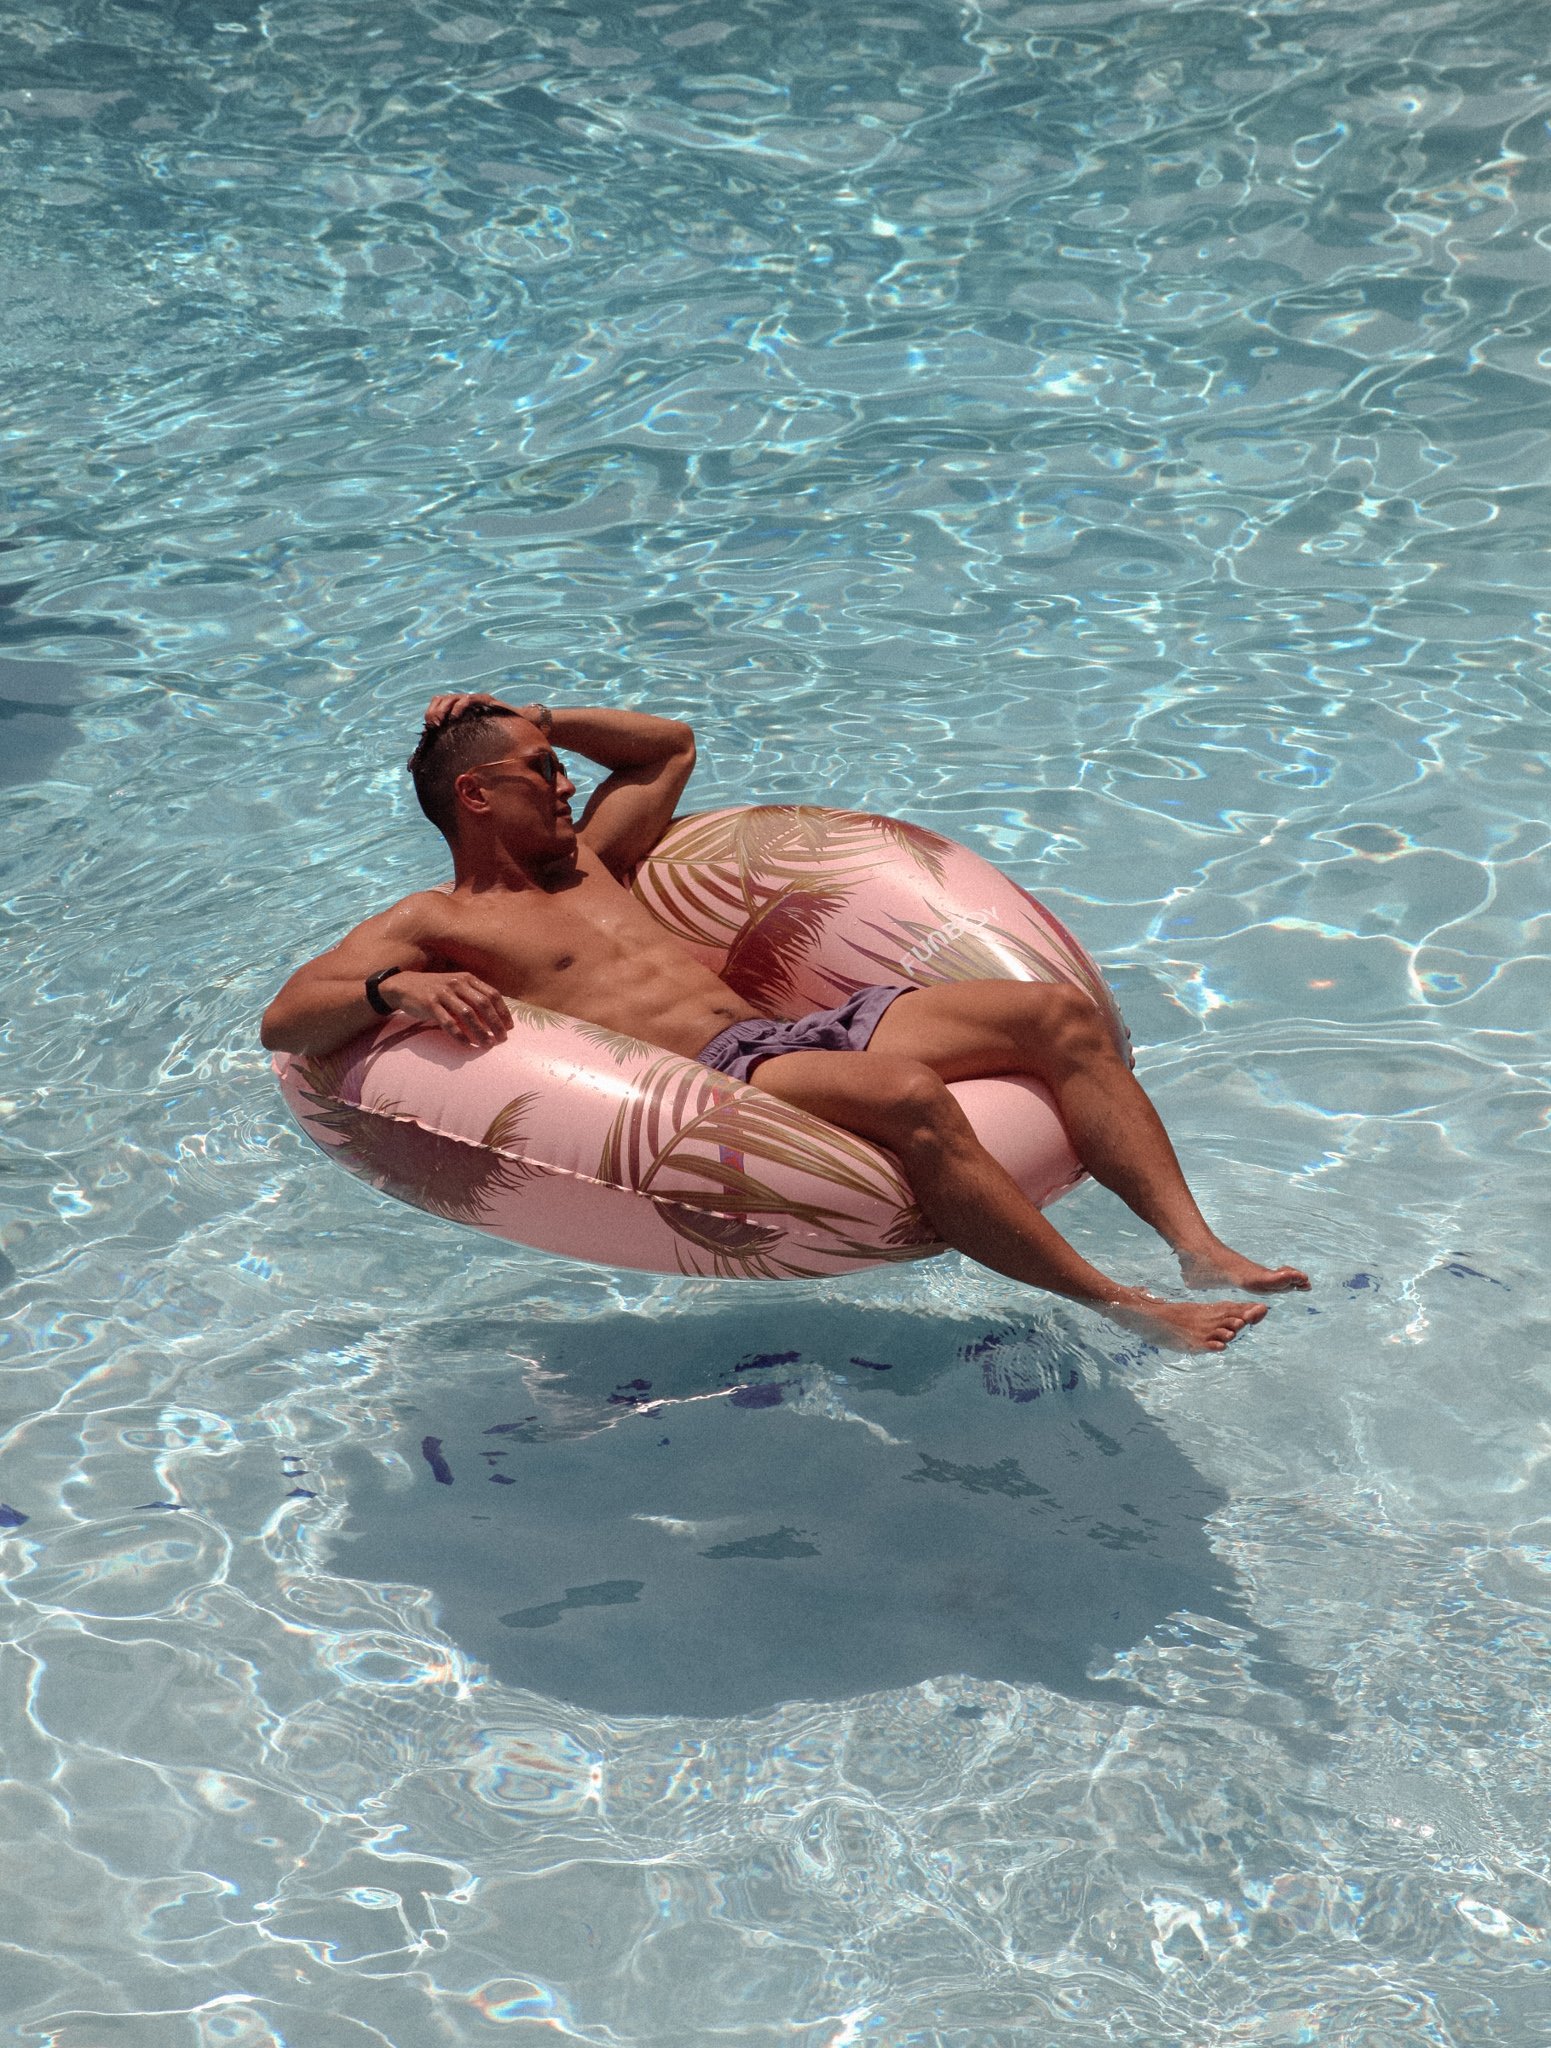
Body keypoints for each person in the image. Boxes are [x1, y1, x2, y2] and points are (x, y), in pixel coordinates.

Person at [262, 694, 1309, 1351]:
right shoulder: (436, 920)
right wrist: (392, 993)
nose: (566, 778)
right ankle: (1122, 1302)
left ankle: (1197, 1245)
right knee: (904, 1096)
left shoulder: (585, 855)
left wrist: (539, 712)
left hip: (798, 1027)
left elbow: (668, 746)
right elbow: (287, 1020)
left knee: (1055, 1014)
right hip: (718, 1082)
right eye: (541, 770)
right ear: (477, 796)